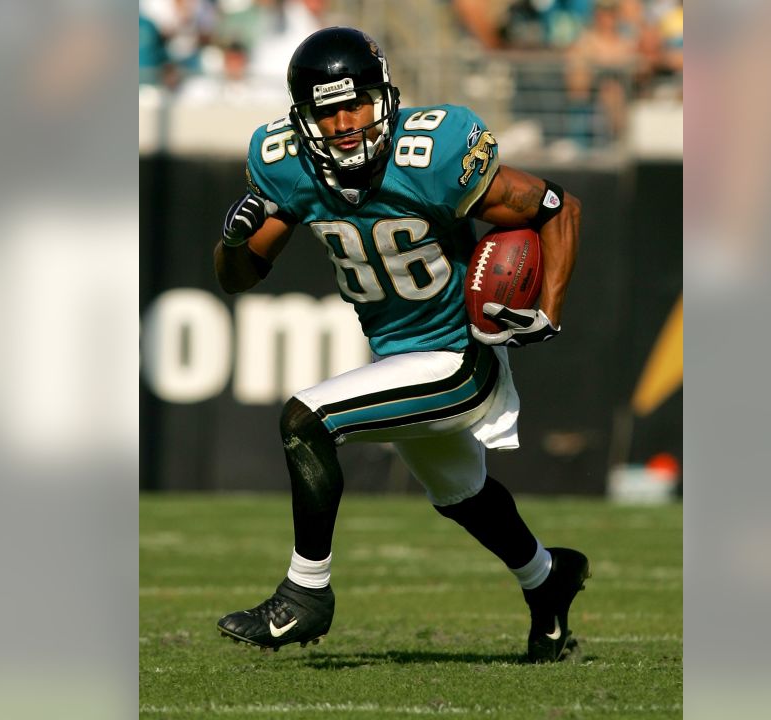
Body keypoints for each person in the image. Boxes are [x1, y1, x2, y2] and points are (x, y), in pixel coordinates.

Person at [212, 26, 587, 663]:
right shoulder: (287, 166)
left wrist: (547, 313)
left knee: (308, 419)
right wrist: (232, 242)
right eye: (328, 110)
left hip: (458, 355)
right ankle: (548, 579)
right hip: (399, 353)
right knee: (463, 497)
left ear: (384, 98)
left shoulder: (435, 154)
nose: (346, 122)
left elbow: (557, 206)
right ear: (303, 117)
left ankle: (306, 594)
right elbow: (240, 278)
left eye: (355, 103)